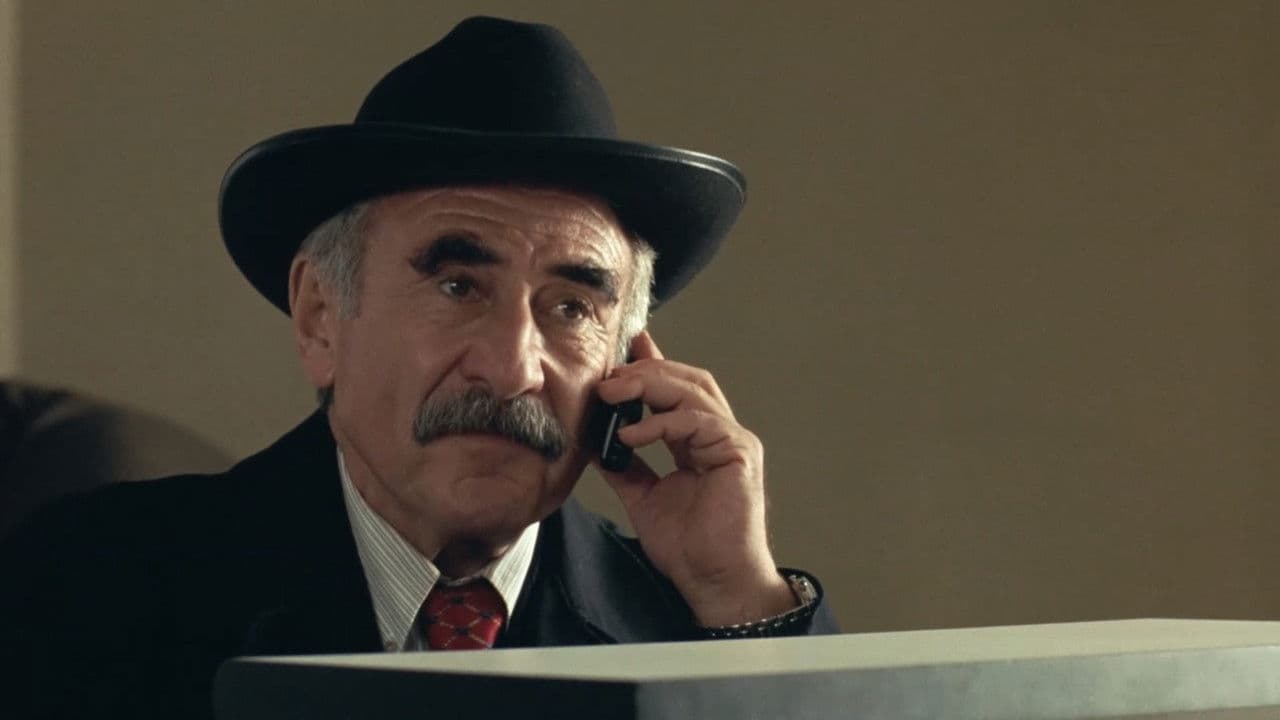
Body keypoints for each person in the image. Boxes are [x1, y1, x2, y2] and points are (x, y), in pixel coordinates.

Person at [0, 16, 838, 720]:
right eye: (457, 286)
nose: (513, 370)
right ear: (321, 318)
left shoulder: (702, 627)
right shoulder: (90, 586)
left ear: (625, 360)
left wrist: (740, 600)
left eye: (572, 309)